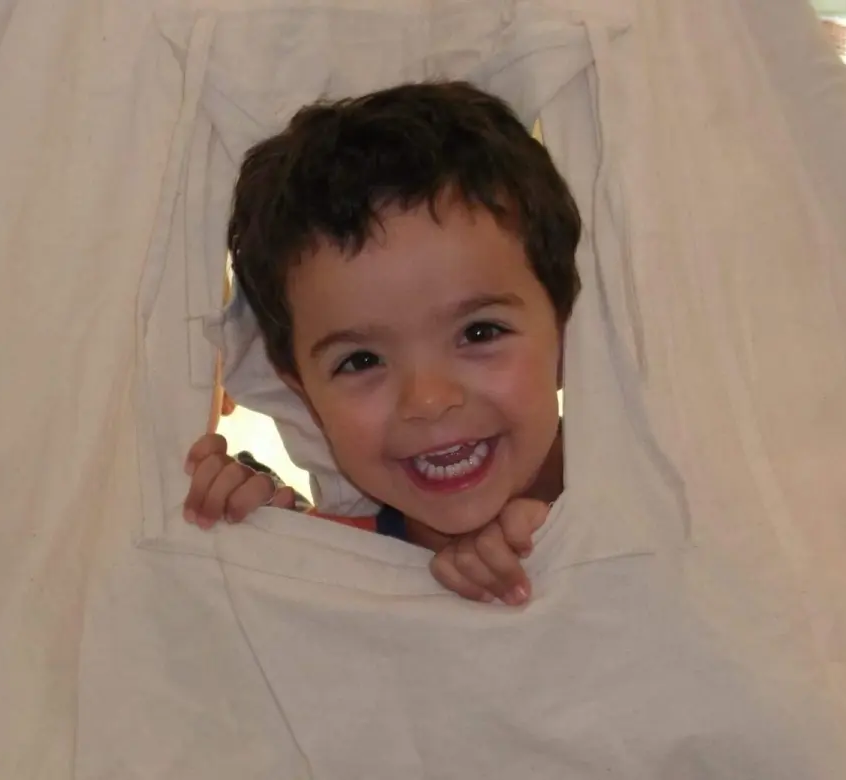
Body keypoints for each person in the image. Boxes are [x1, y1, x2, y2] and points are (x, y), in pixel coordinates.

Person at [182, 80, 580, 607]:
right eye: (361, 360)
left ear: (568, 331)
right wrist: (256, 534)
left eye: (480, 332)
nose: (428, 399)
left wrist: (563, 540)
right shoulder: (335, 556)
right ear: (303, 393)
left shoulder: (676, 496)